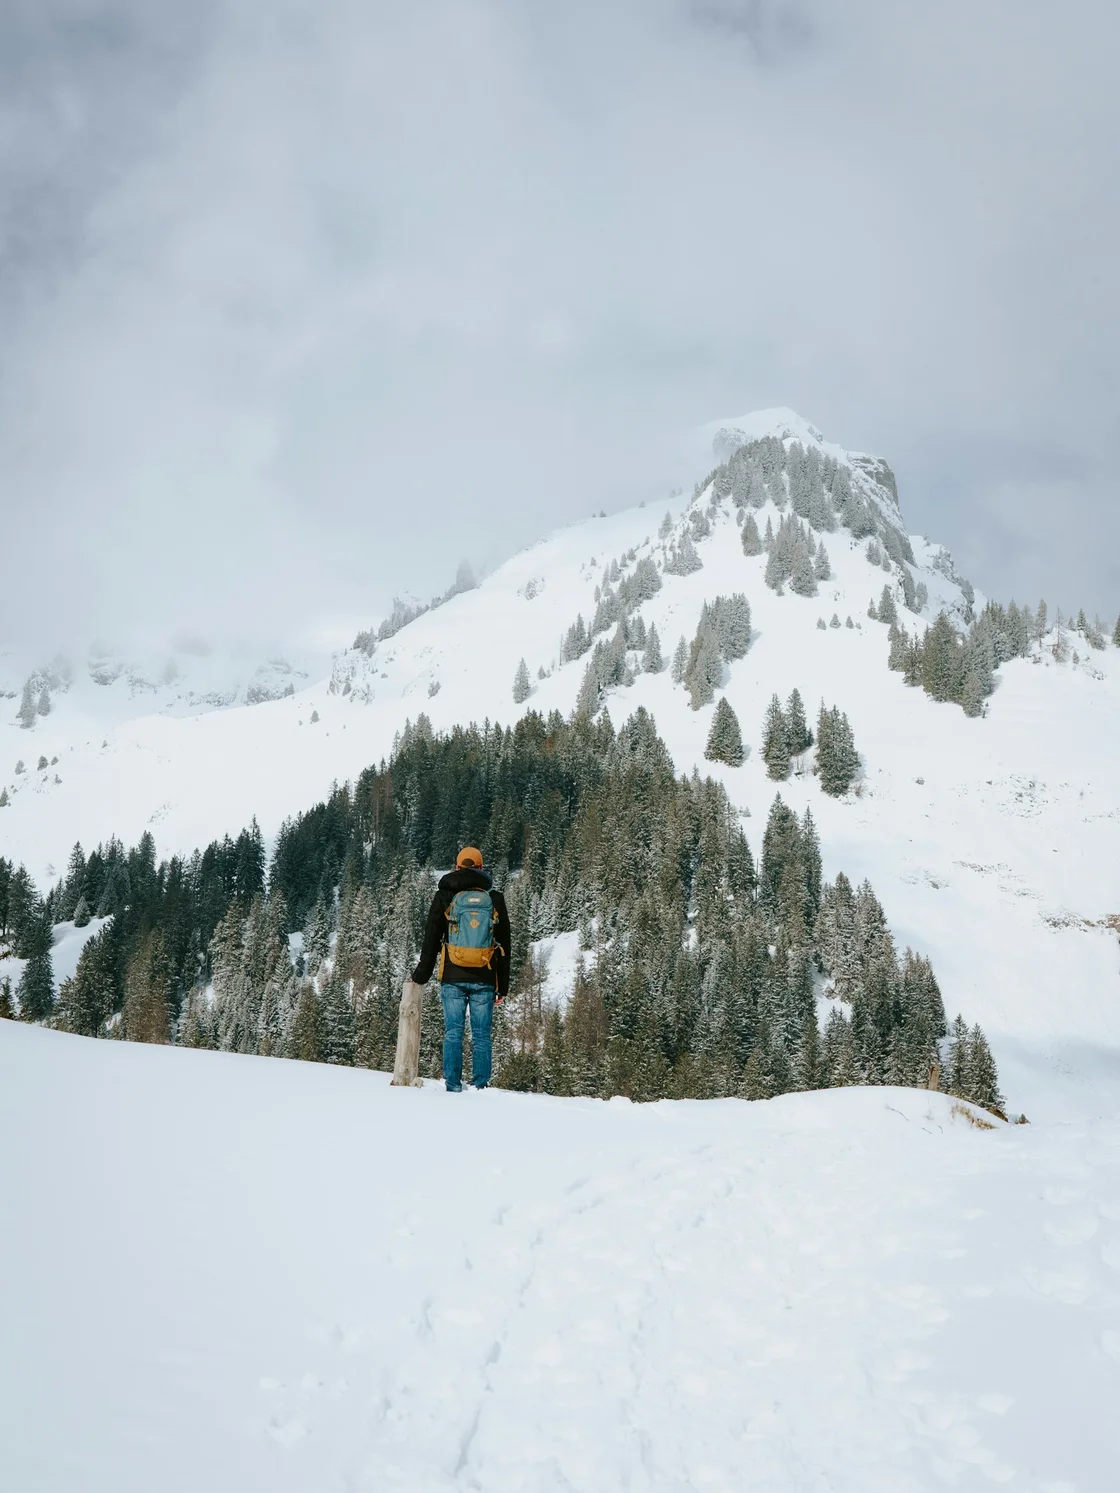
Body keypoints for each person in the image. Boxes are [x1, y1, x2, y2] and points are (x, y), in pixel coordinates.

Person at [411, 847, 511, 1092]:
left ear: (457, 867)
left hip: (452, 976)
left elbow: (431, 938)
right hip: (485, 976)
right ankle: (480, 1087)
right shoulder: (494, 898)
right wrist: (503, 986)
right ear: (480, 867)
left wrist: (420, 975)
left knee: (453, 1032)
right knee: (481, 1035)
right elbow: (505, 944)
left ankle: (453, 1085)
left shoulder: (445, 896)